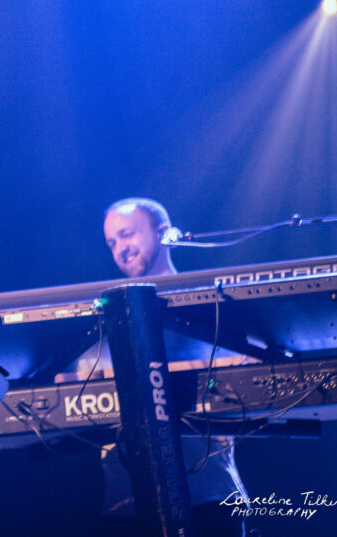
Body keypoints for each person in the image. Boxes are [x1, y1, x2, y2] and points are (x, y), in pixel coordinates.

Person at [100, 197, 249, 537]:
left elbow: (250, 378)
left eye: (127, 234)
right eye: (111, 243)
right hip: (128, 502)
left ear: (163, 233)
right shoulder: (104, 319)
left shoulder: (212, 305)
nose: (120, 249)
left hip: (210, 494)